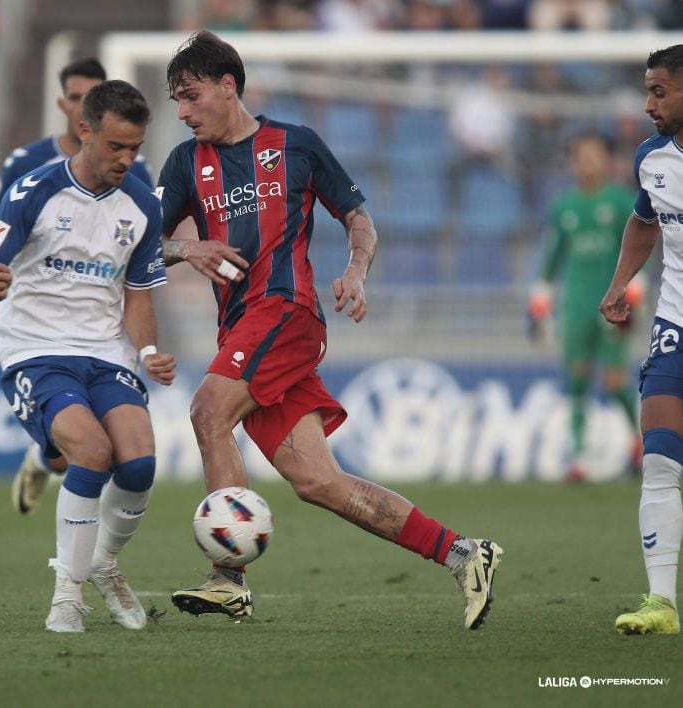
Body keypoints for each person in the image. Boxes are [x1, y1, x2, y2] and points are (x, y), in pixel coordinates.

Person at [157, 30, 503, 630]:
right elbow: (142, 248)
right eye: (176, 102)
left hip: (287, 313)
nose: (183, 112)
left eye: (190, 96)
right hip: (241, 327)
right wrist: (187, 248)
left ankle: (227, 581)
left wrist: (356, 270)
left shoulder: (295, 145)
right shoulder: (186, 163)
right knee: (319, 481)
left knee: (209, 412)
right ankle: (464, 554)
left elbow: (357, 216)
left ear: (227, 85)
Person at [0, 80, 175, 633]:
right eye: (116, 147)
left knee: (141, 462)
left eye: (134, 148)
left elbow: (138, 295)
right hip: (36, 350)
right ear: (85, 130)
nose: (127, 160)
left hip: (105, 350)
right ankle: (66, 596)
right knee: (91, 450)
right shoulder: (33, 188)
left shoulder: (141, 206)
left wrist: (149, 351)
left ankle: (104, 565)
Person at [0, 58, 155, 515]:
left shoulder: (135, 173)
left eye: (92, 93)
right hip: (39, 323)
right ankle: (44, 461)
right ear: (69, 110)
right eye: (76, 96)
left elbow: (142, 243)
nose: (84, 102)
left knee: (115, 452)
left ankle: (96, 559)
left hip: (100, 330)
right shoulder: (28, 165)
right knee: (79, 448)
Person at [600, 44, 683, 636]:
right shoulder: (653, 158)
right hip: (675, 325)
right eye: (647, 90)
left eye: (659, 91)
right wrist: (620, 282)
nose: (648, 103)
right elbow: (643, 220)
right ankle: (662, 603)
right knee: (658, 458)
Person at [528, 132, 643, 482]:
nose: (587, 161)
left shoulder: (623, 201)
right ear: (573, 161)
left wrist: (635, 293)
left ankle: (640, 441)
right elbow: (553, 256)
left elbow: (641, 249)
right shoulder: (565, 207)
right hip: (576, 305)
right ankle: (578, 458)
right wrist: (540, 302)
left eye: (594, 154)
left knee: (614, 379)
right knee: (577, 379)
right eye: (581, 155)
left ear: (607, 160)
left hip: (613, 304)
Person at [0, 58, 153, 235]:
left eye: (91, 97)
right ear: (62, 105)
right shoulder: (26, 161)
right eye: (75, 98)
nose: (84, 107)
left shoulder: (135, 167)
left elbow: (149, 235)